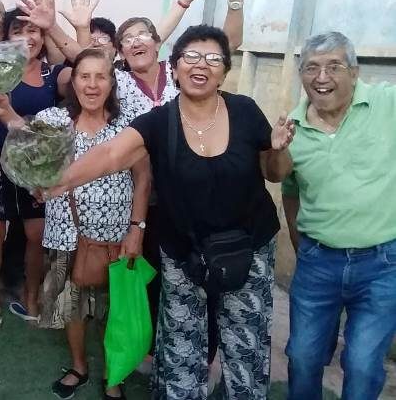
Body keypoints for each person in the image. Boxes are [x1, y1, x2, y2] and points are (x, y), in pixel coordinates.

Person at [42, 25, 295, 399]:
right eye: (190, 57)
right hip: (183, 251)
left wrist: (277, 149)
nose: (201, 65)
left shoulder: (244, 111)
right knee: (180, 346)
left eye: (213, 59)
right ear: (174, 69)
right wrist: (63, 180)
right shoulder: (159, 121)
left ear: (224, 70)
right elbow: (112, 154)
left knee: (245, 347)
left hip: (248, 249)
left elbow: (275, 173)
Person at [0, 48, 151, 399]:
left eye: (100, 76)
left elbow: (143, 177)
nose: (92, 85)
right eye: (84, 76)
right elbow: (28, 141)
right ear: (72, 82)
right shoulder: (56, 120)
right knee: (71, 305)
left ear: (113, 82)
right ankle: (79, 366)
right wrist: (6, 114)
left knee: (112, 310)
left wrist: (137, 228)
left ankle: (114, 375)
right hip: (66, 231)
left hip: (117, 235)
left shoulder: (129, 125)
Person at [282, 31, 396, 400]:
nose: (322, 77)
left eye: (334, 66)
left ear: (355, 71)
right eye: (311, 68)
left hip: (383, 263)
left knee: (363, 364)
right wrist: (304, 247)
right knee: (302, 357)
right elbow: (290, 191)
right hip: (318, 263)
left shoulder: (387, 103)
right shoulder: (291, 130)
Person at [0, 0, 79, 334]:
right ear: (6, 36)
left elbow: (84, 68)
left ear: (43, 35)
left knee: (35, 235)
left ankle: (31, 299)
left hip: (34, 165)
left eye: (34, 30)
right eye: (19, 30)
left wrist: (54, 5)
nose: (27, 37)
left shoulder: (54, 76)